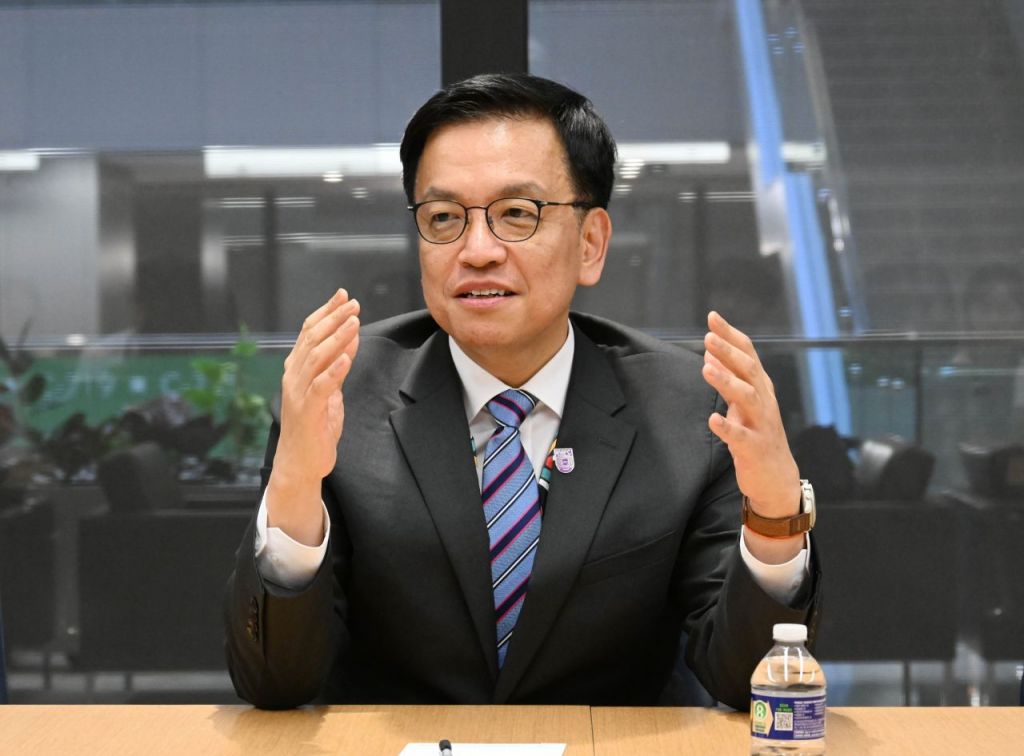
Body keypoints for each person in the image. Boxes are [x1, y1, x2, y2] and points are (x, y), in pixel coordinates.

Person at [224, 73, 820, 710]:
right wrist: (295, 488)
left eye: (517, 214)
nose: (478, 251)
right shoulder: (341, 393)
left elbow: (746, 680)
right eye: (444, 218)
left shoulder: (686, 408)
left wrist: (775, 514)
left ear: (590, 243)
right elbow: (276, 685)